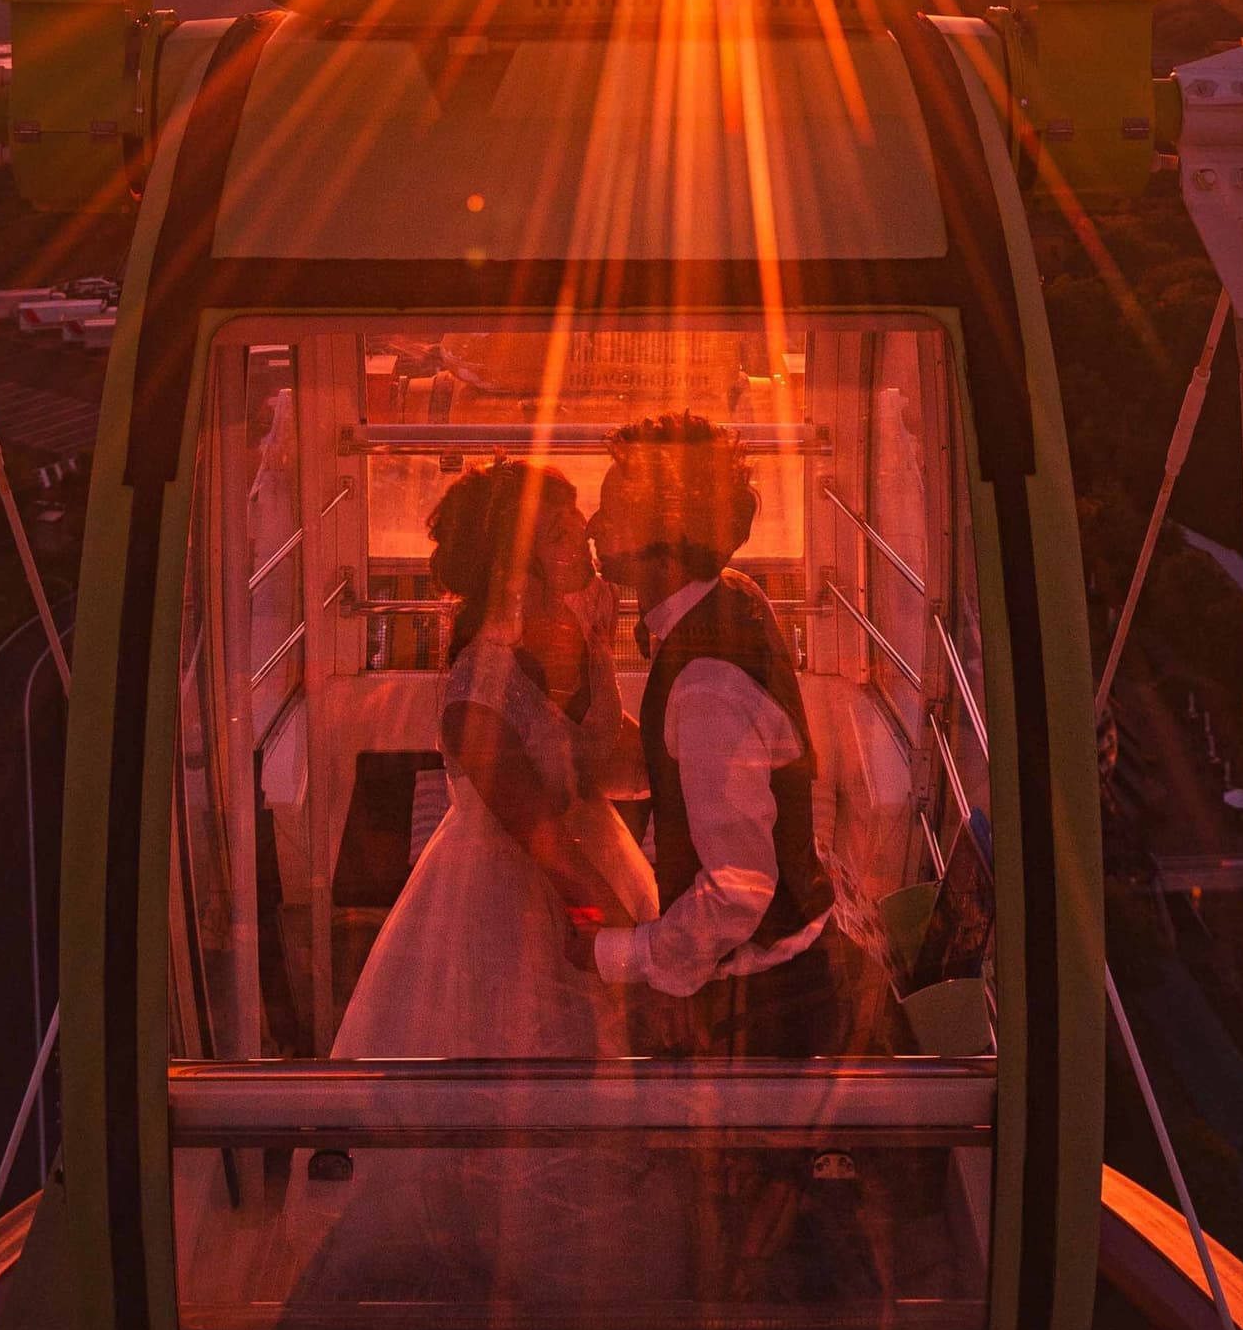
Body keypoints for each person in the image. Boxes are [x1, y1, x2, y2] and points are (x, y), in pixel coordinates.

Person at [574, 413, 886, 1064]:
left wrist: (620, 954)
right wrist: (595, 660)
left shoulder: (707, 684)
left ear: (663, 534)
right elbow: (664, 771)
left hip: (768, 1005)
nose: (594, 528)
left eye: (610, 511)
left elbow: (740, 890)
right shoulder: (733, 597)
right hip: (779, 976)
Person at [332, 459, 652, 1064]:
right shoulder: (476, 693)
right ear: (514, 560)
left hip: (600, 860)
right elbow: (550, 849)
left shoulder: (585, 624)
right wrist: (626, 946)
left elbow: (601, 763)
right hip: (509, 908)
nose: (584, 532)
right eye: (560, 531)